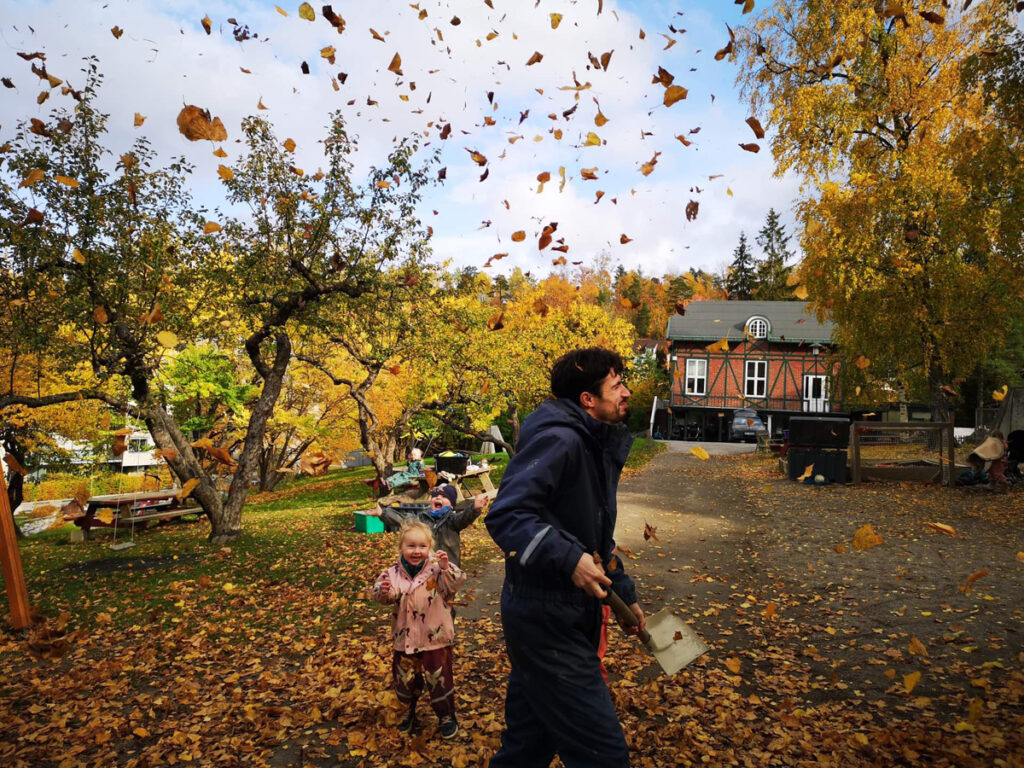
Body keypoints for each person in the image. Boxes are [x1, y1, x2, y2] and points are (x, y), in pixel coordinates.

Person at [485, 346, 645, 768]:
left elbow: (592, 537)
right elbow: (507, 514)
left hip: (562, 612)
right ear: (587, 400)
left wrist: (624, 593)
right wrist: (569, 558)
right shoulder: (562, 439)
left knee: (527, 747)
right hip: (546, 620)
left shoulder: (592, 444)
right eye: (617, 385)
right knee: (604, 757)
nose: (626, 392)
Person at [371, 518, 467, 739]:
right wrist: (383, 591)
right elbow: (383, 595)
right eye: (411, 546)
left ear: (430, 548)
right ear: (401, 547)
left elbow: (455, 583)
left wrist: (445, 568)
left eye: (422, 546)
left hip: (435, 636)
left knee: (439, 677)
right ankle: (409, 711)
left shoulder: (436, 570)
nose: (416, 551)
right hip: (405, 637)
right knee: (406, 678)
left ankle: (446, 715)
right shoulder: (392, 573)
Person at [367, 484, 489, 568]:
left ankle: (447, 605)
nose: (438, 498)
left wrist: (474, 508)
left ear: (451, 505)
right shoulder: (421, 518)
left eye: (444, 497)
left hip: (448, 566)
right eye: (435, 496)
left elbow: (464, 517)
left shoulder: (453, 520)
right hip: (426, 567)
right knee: (428, 597)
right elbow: (403, 519)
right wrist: (382, 513)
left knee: (446, 598)